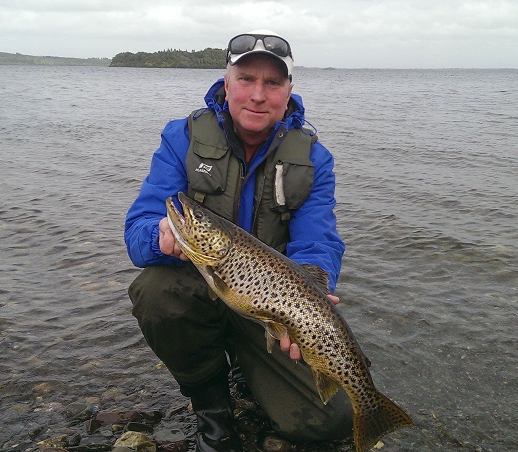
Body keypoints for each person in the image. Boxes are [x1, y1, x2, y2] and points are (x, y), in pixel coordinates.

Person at [124, 30, 353, 451]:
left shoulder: (314, 158)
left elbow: (317, 242)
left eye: (272, 83)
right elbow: (137, 233)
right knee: (154, 292)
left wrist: (314, 299)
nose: (258, 95)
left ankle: (248, 366)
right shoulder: (183, 137)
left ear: (288, 92)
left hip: (269, 305)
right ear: (226, 84)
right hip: (201, 288)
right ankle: (213, 412)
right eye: (246, 79)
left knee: (333, 421)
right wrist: (158, 238)